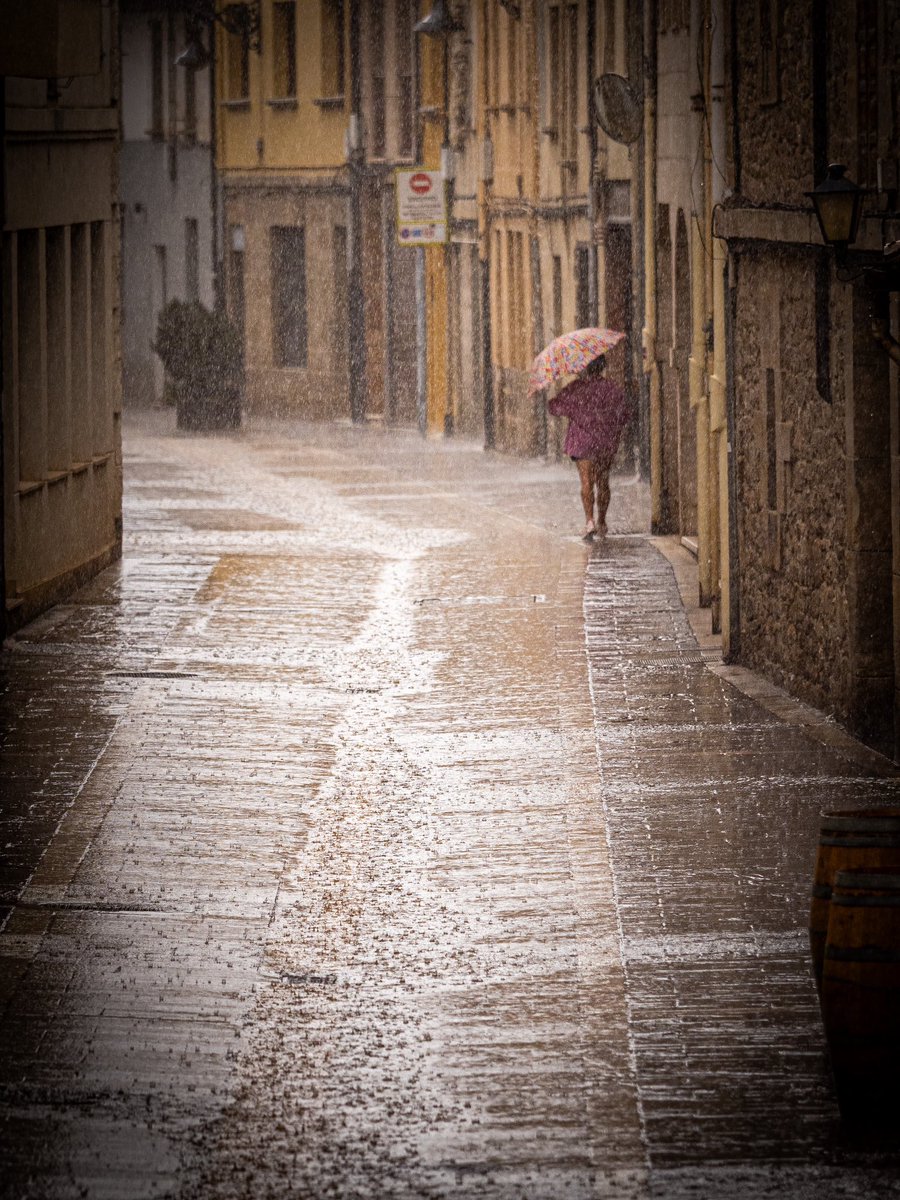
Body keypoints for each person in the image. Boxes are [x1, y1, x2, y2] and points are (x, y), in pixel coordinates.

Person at [547, 355, 630, 539]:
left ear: (584, 368)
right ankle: (602, 521)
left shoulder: (577, 388)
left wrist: (557, 392)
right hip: (604, 443)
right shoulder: (611, 389)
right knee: (603, 481)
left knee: (586, 482)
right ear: (602, 367)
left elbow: (554, 407)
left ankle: (589, 521)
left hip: (582, 443)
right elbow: (624, 415)